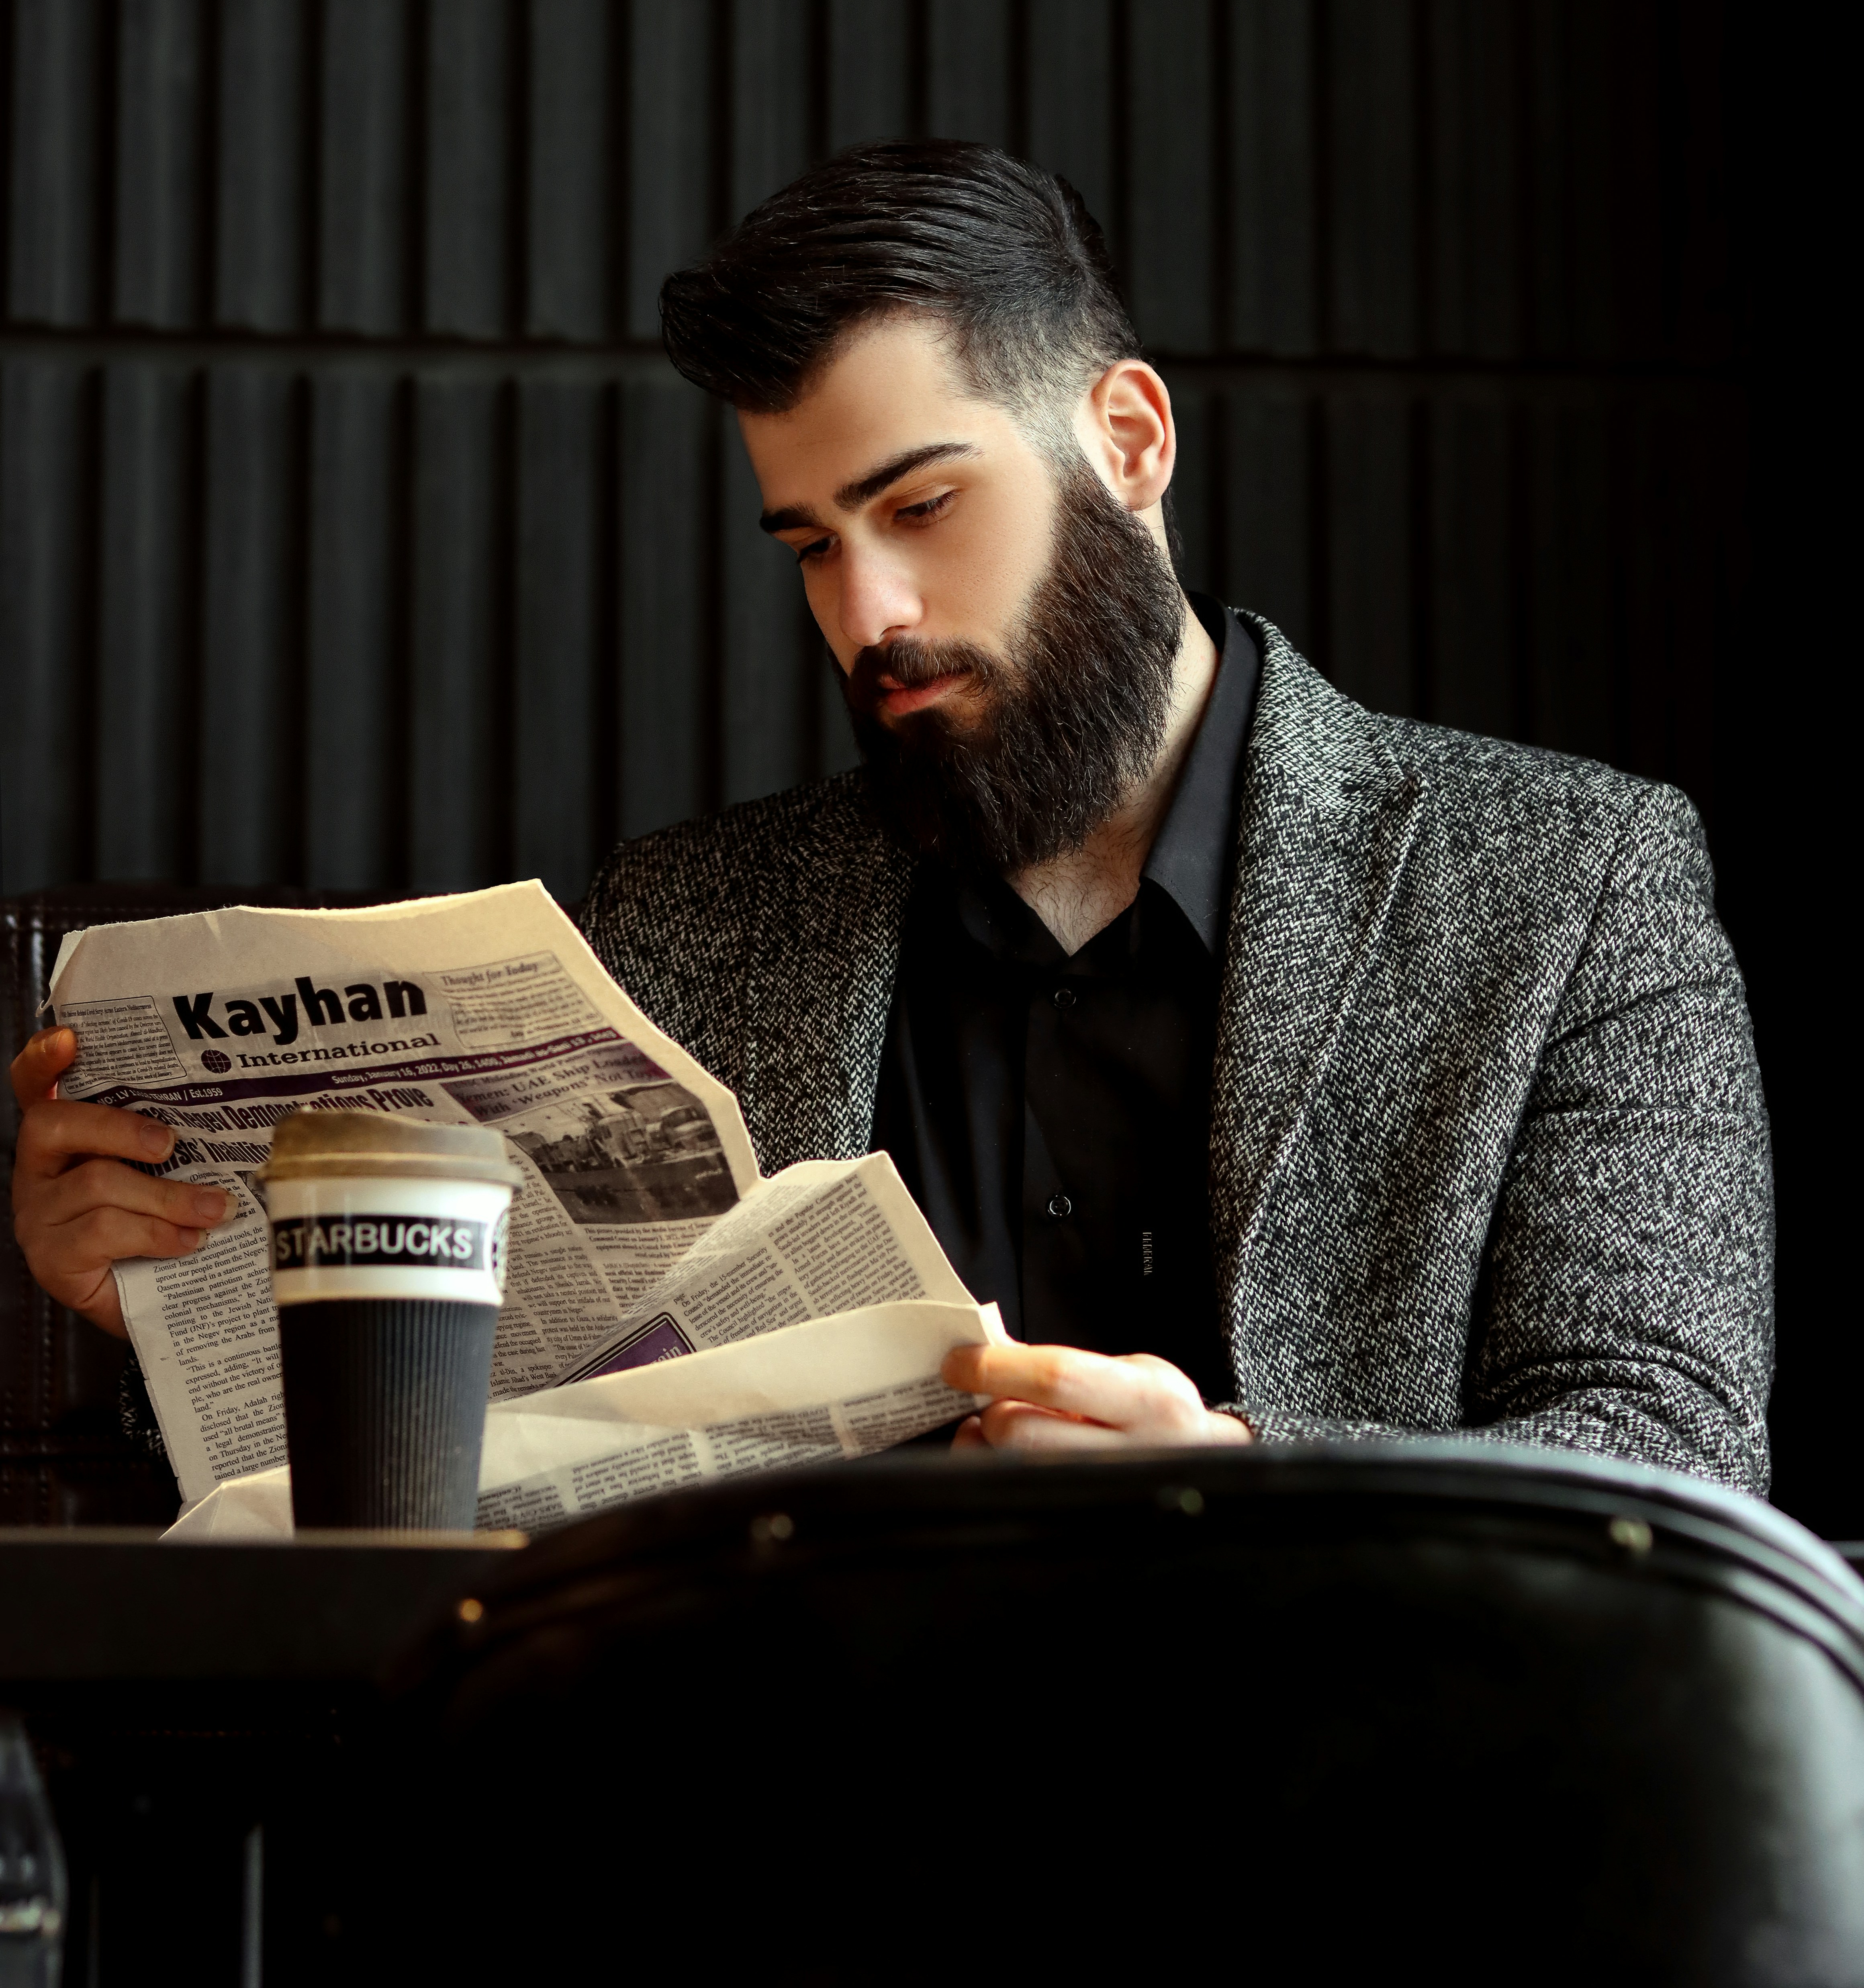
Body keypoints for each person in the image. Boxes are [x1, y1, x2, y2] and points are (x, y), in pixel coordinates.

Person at [9, 140, 1772, 1491]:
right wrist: (182, 1331)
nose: (866, 616)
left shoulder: (1566, 883)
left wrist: (1239, 1489)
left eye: (921, 504)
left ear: (1128, 438)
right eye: (808, 546)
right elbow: (502, 1474)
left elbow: (1669, 1457)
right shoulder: (678, 924)